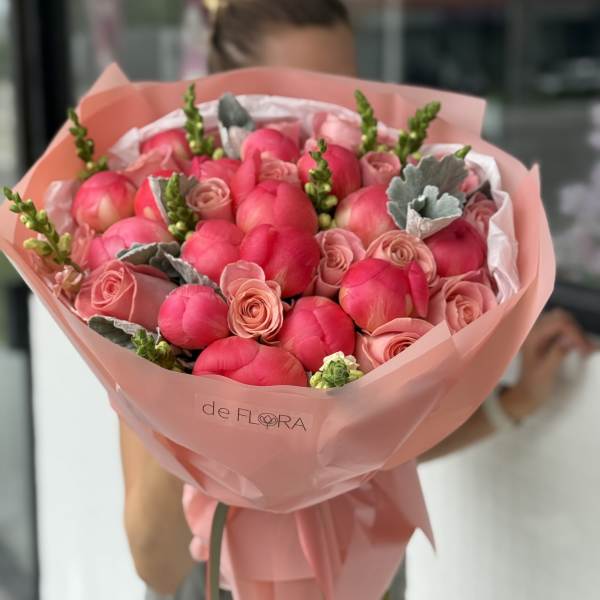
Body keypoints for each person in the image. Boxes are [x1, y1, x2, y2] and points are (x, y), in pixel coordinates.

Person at [120, 1, 596, 598]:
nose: (326, 119)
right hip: (220, 577)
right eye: (298, 96)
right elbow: (155, 564)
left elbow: (372, 457)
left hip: (365, 572)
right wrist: (181, 412)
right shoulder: (167, 296)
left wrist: (514, 404)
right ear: (232, 103)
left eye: (346, 90)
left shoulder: (385, 255)